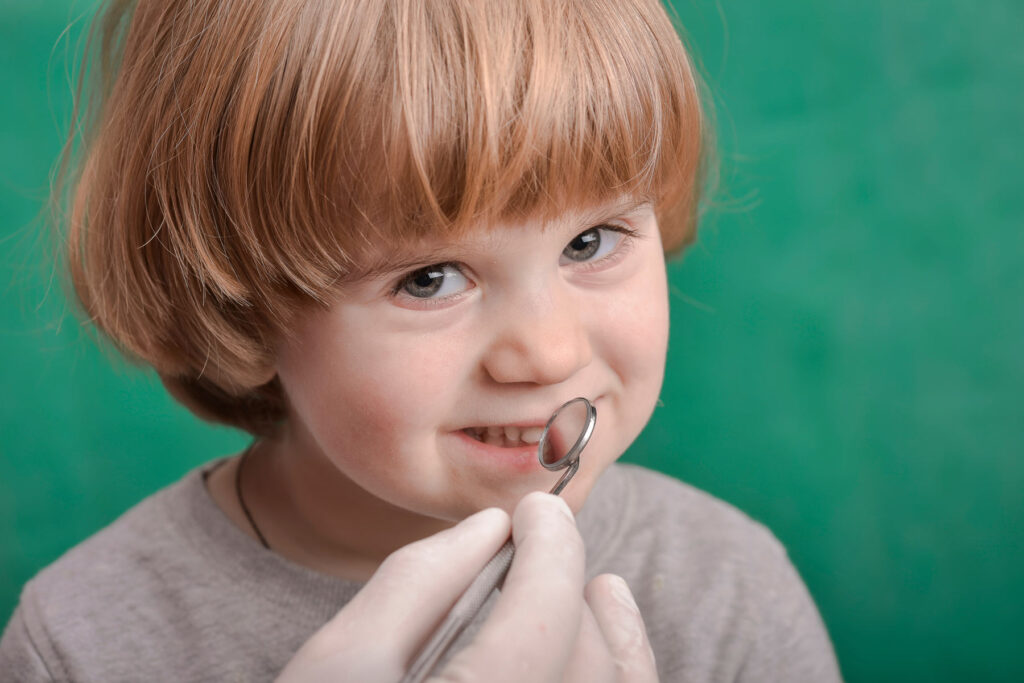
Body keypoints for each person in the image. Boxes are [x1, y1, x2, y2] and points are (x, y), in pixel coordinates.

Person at [0, 0, 842, 681]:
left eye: (590, 242)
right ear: (242, 302)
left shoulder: (729, 588)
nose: (547, 355)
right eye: (429, 278)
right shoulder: (83, 643)